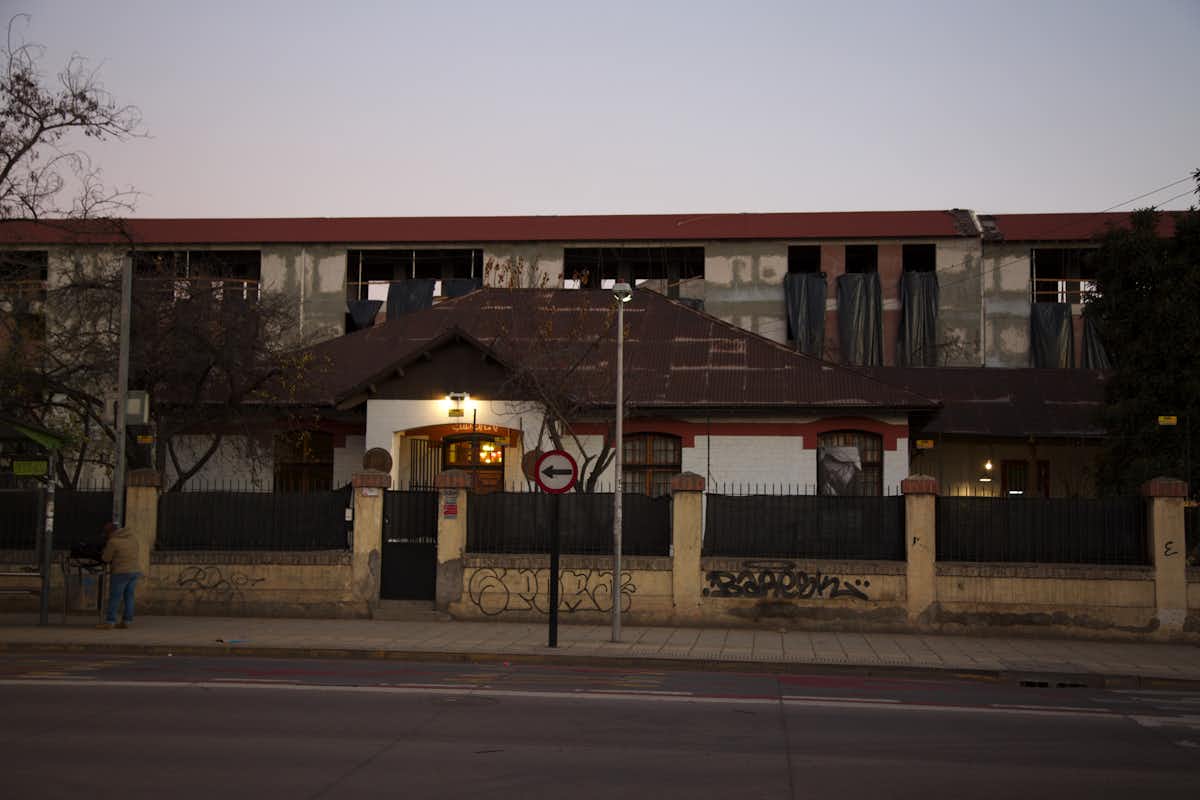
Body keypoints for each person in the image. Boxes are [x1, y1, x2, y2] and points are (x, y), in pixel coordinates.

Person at [98, 521, 141, 630]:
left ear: (110, 533)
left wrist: (104, 551)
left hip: (121, 572)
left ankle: (110, 622)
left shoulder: (113, 542)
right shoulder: (132, 539)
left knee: (115, 597)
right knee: (129, 597)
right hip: (135, 571)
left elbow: (106, 558)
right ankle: (127, 621)